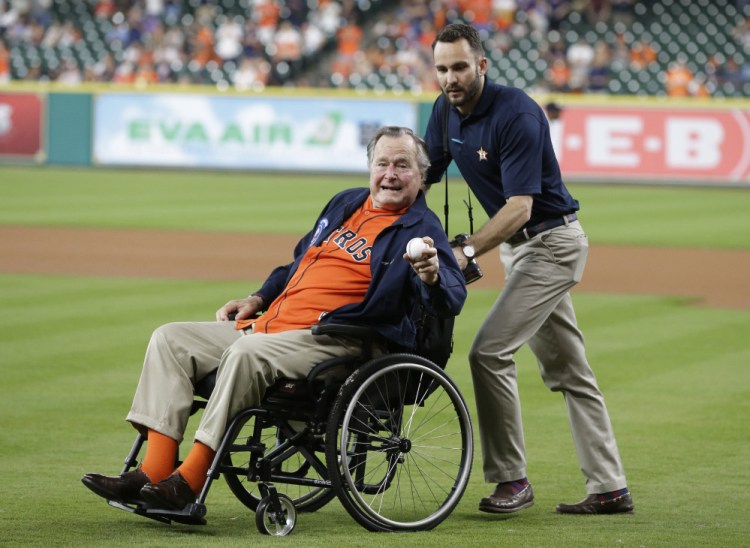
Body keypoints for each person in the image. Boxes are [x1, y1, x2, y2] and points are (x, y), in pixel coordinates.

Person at [82, 126, 467, 513]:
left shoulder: (422, 228)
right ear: (370, 168)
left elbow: (452, 295)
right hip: (273, 325)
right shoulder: (347, 203)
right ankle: (153, 471)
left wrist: (431, 276)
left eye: (403, 165)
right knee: (170, 339)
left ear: (421, 176)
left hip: (338, 339)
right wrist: (258, 297)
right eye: (382, 163)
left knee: (247, 353)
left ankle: (189, 480)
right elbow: (296, 264)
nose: (390, 174)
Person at [423, 23, 633, 515]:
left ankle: (510, 480)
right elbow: (424, 174)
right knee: (570, 372)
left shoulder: (515, 112)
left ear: (482, 65)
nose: (450, 78)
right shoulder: (442, 111)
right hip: (523, 249)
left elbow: (519, 207)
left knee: (488, 352)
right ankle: (610, 486)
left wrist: (465, 251)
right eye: (441, 68)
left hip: (552, 243)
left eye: (459, 67)